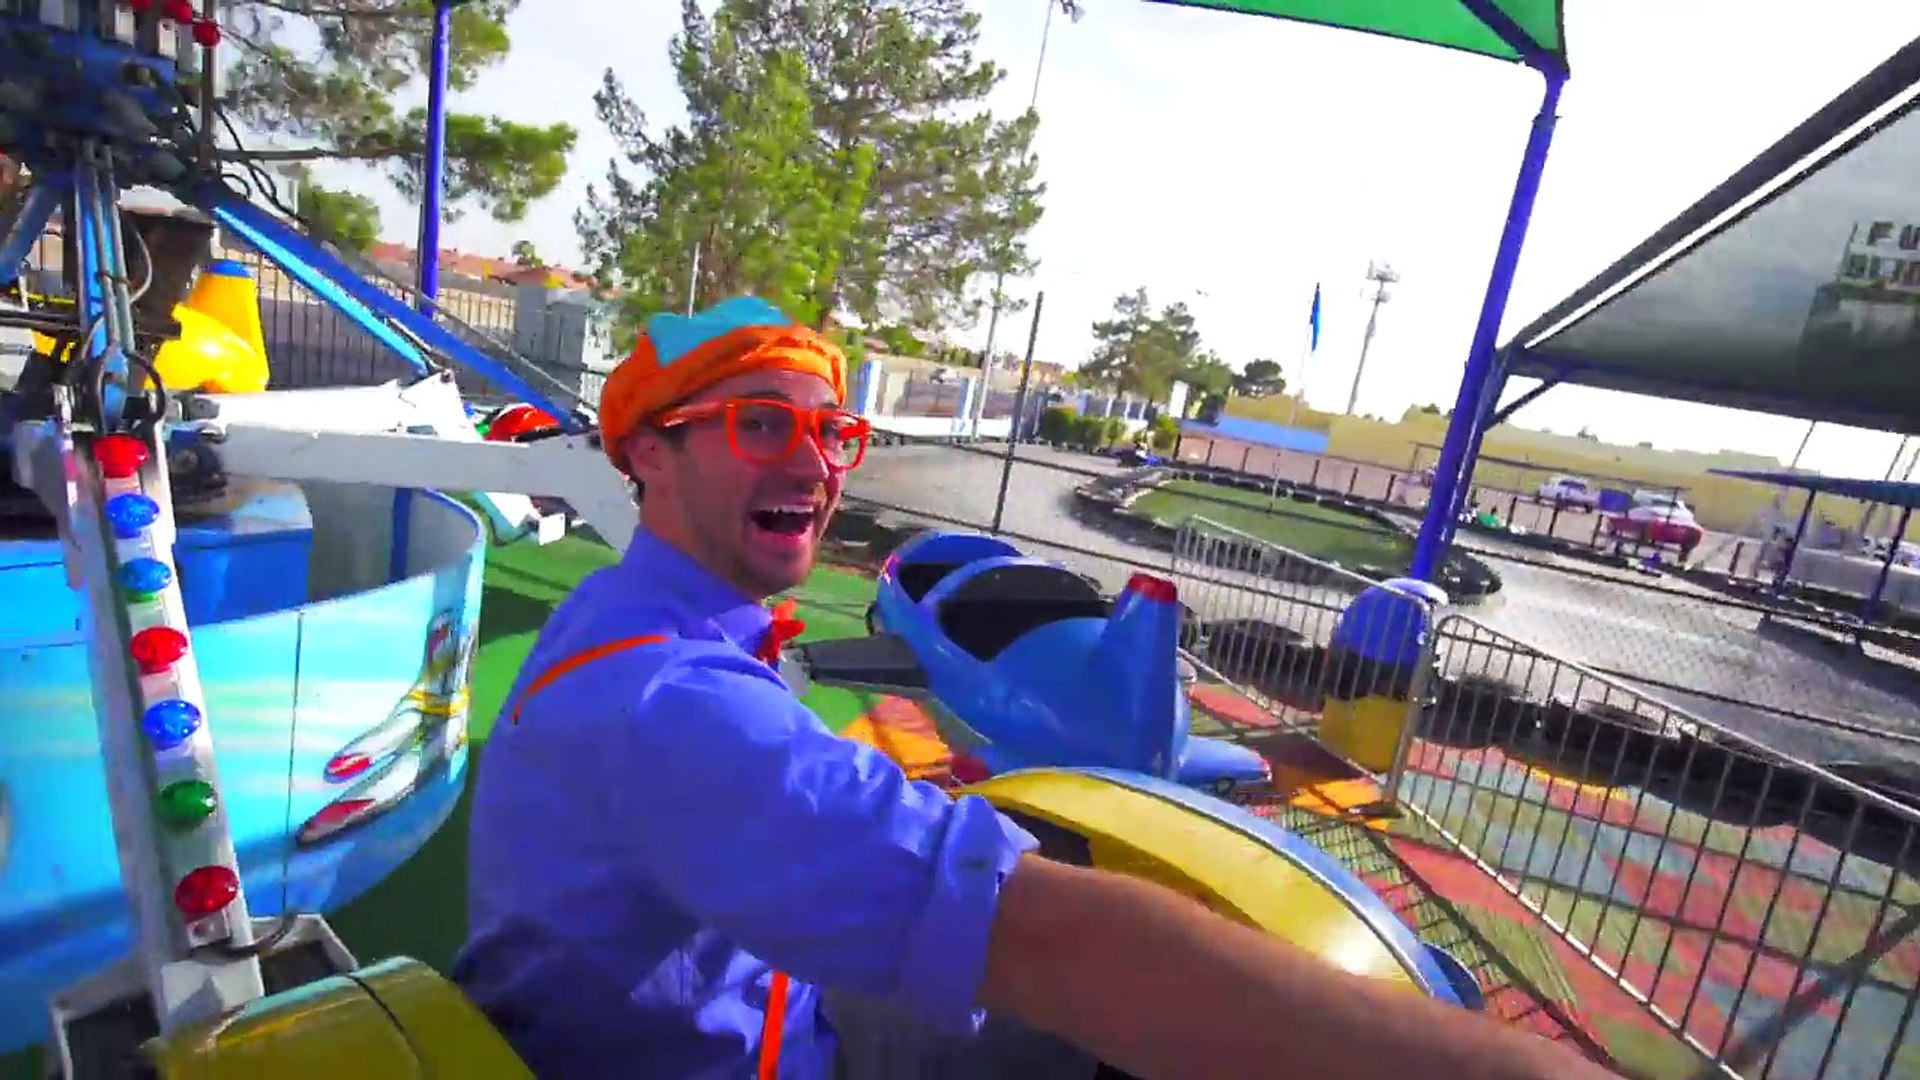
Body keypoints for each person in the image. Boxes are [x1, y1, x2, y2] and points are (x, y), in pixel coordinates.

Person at [452, 296, 1622, 1080]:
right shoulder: (670, 702)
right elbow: (1050, 941)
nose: (813, 463)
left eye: (832, 431)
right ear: (649, 452)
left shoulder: (641, 622)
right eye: (763, 426)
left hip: (765, 1008)